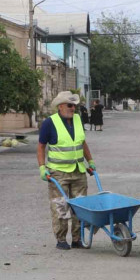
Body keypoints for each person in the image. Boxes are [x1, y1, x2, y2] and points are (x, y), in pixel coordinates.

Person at [37, 91, 96, 251]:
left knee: (80, 206)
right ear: (60, 106)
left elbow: (82, 143)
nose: (73, 108)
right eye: (70, 105)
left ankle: (77, 239)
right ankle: (61, 239)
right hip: (58, 173)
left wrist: (90, 161)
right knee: (60, 206)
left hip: (78, 170)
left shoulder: (77, 119)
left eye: (74, 106)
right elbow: (41, 146)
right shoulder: (50, 123)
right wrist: (42, 168)